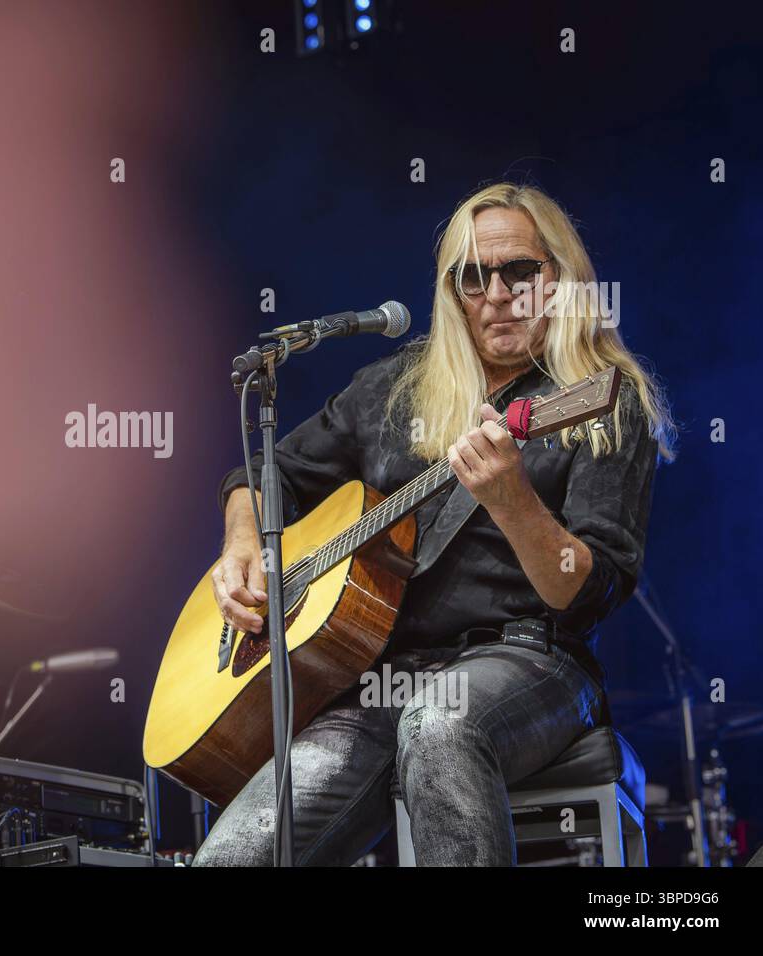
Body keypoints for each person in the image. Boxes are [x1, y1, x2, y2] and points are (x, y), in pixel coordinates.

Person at [194, 182, 674, 866]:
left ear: (559, 279)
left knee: (440, 718)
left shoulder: (602, 400)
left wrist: (513, 503)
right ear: (452, 291)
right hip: (377, 684)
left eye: (519, 271)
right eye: (474, 277)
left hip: (533, 660)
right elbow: (267, 473)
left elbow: (586, 590)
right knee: (231, 856)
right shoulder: (393, 390)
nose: (497, 293)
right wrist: (242, 543)